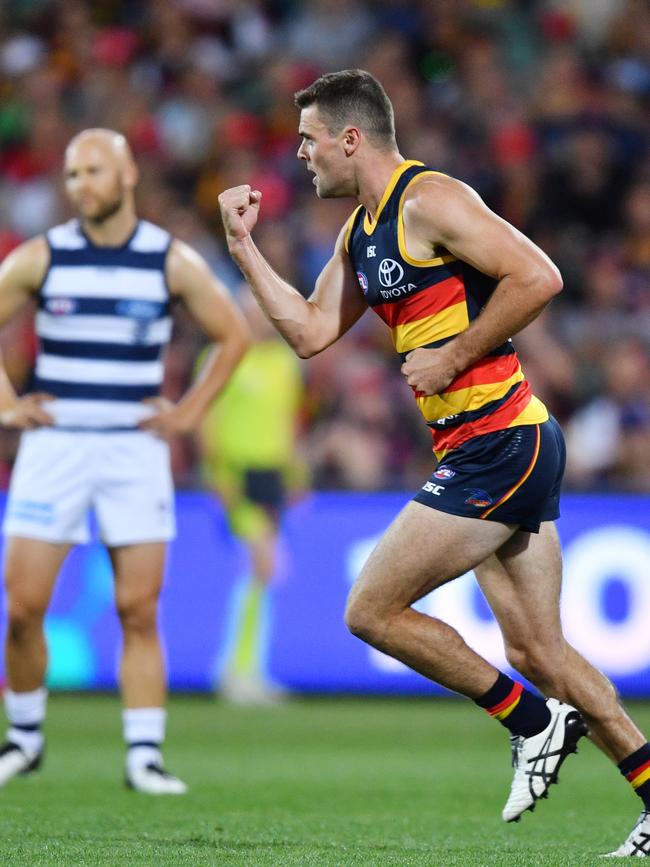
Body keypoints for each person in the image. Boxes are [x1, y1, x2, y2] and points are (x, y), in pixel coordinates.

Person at [218, 69, 650, 857]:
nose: (301, 155)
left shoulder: (432, 201)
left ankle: (531, 724)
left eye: (311, 140)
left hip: (500, 441)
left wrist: (453, 353)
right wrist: (243, 249)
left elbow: (539, 276)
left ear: (352, 139)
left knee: (369, 610)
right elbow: (312, 330)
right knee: (538, 652)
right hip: (489, 444)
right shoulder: (360, 233)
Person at [0, 129, 250, 794]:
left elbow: (233, 335)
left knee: (138, 608)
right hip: (55, 443)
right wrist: (6, 402)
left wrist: (190, 413)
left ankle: (145, 753)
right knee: (23, 606)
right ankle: (24, 737)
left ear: (128, 173)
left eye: (94, 170)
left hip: (133, 449)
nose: (81, 183)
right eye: (73, 173)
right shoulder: (44, 255)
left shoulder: (168, 260)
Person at [198, 288, 306, 704]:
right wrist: (218, 475)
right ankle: (239, 672)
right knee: (265, 565)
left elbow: (288, 422)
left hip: (272, 475)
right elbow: (207, 418)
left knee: (263, 572)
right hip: (238, 474)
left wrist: (297, 474)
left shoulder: (283, 363)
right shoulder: (222, 357)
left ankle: (243, 668)